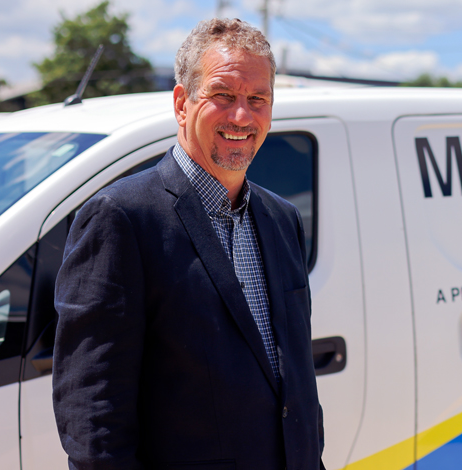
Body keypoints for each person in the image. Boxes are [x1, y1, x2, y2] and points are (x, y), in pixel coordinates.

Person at [52, 18, 324, 470]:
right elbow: (94, 419)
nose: (242, 115)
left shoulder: (282, 220)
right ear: (182, 102)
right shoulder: (120, 219)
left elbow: (295, 385)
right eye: (223, 95)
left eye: (258, 99)